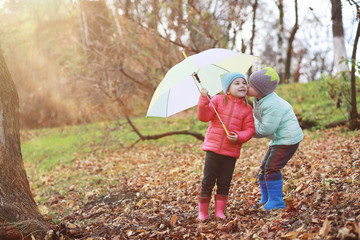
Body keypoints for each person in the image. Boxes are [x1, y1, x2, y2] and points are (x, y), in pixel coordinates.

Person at [197, 72, 255, 221]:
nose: (242, 85)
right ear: (227, 89)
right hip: (213, 149)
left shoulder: (247, 109)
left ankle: (219, 211)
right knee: (208, 181)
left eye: (244, 82)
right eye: (237, 83)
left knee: (224, 182)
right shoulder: (217, 100)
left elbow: (249, 130)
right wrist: (204, 99)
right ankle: (203, 212)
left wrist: (239, 137)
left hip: (230, 152)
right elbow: (203, 117)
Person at [247, 67, 303, 211]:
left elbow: (266, 129)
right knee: (264, 167)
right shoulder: (259, 99)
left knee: (272, 168)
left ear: (261, 89)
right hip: (279, 138)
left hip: (287, 139)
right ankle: (267, 198)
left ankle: (276, 202)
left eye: (251, 85)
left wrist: (249, 130)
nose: (247, 87)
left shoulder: (272, 104)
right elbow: (257, 119)